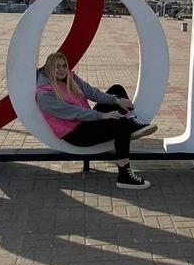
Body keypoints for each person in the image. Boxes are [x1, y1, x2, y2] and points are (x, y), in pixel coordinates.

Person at [36, 52, 157, 190]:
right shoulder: (44, 95)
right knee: (119, 123)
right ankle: (124, 176)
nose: (62, 69)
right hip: (75, 133)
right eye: (57, 66)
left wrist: (116, 100)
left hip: (87, 121)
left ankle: (132, 122)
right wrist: (101, 116)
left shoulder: (71, 77)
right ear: (49, 68)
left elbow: (92, 93)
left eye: (64, 66)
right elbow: (74, 112)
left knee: (117, 90)